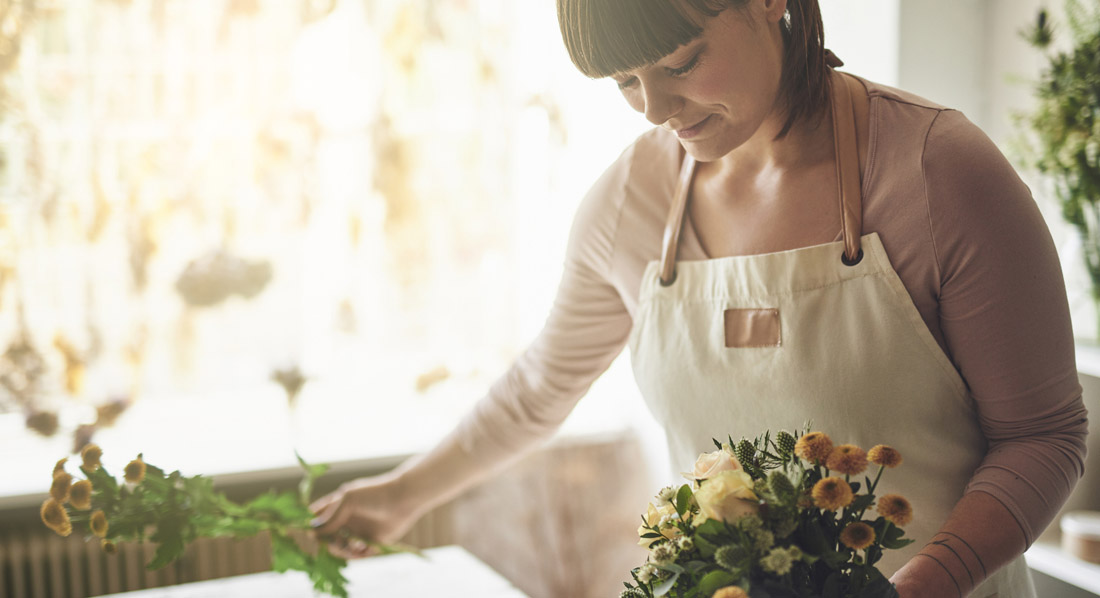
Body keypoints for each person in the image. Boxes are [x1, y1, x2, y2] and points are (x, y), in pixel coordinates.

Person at [310, 1, 1089, 596]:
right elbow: (541, 388)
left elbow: (1044, 437)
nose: (652, 109)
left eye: (679, 64)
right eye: (623, 83)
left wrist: (924, 584)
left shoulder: (936, 170)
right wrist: (397, 497)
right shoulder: (631, 201)